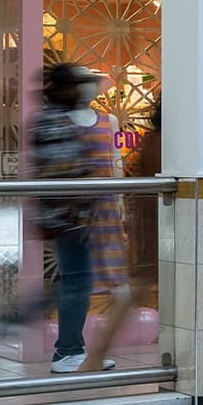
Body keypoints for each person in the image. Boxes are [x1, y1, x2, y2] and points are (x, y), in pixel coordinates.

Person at [29, 60, 127, 373]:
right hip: (72, 216)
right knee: (77, 282)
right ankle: (67, 350)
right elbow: (64, 169)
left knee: (79, 281)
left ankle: (73, 348)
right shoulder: (55, 122)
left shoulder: (52, 119)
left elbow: (112, 158)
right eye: (76, 83)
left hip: (81, 212)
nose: (84, 89)